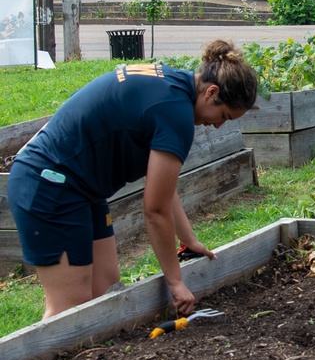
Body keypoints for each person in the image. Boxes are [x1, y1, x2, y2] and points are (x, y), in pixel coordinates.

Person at [8, 40, 259, 319]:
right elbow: (155, 211)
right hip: (49, 183)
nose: (218, 124)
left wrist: (188, 239)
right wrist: (175, 281)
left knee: (105, 288)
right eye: (223, 115)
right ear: (211, 92)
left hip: (81, 188)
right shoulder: (176, 114)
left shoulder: (176, 85)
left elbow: (162, 188)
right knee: (69, 308)